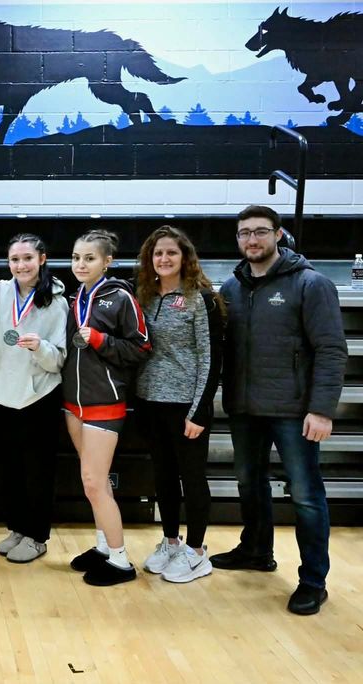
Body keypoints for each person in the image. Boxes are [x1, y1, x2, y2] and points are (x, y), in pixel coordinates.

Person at [210, 205, 347, 615]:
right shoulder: (231, 289)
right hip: (245, 409)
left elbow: (331, 350)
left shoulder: (311, 284)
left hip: (294, 410)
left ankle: (313, 581)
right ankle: (255, 550)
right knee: (250, 485)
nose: (252, 240)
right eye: (244, 233)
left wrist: (321, 410)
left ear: (278, 234)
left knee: (306, 496)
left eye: (260, 232)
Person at [134, 226, 224, 583]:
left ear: (185, 257)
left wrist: (200, 410)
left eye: (171, 252)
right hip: (150, 401)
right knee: (164, 477)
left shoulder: (200, 298)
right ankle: (172, 542)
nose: (164, 259)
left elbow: (210, 357)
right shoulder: (145, 295)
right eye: (158, 254)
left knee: (192, 478)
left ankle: (198, 553)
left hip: (186, 405)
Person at [64, 229, 151, 586]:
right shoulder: (73, 298)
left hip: (105, 403)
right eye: (76, 258)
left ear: (107, 261)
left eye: (90, 258)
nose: (81, 264)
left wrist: (100, 340)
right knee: (94, 485)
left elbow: (142, 347)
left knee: (93, 482)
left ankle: (121, 561)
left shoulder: (119, 297)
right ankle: (103, 547)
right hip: (73, 403)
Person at [0, 234, 68, 564]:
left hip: (38, 397)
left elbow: (59, 359)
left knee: (38, 470)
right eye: (15, 259)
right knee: (8, 469)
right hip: (1, 393)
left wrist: (40, 348)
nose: (21, 265)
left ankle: (37, 536)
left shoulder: (56, 301)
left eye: (27, 258)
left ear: (42, 259)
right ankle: (18, 527)